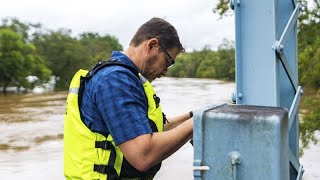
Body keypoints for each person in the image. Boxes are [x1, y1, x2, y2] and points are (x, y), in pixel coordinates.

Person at [64, 17, 193, 180]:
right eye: (167, 62)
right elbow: (143, 155)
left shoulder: (128, 78)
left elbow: (157, 128)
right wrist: (195, 124)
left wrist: (194, 116)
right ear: (152, 45)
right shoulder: (115, 80)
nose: (165, 71)